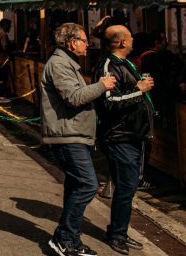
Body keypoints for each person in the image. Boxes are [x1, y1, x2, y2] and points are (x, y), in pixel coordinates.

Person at [42, 22, 116, 256]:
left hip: (73, 134)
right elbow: (73, 98)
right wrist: (101, 86)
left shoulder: (66, 63)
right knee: (88, 184)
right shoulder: (59, 64)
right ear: (72, 43)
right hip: (67, 136)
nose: (88, 45)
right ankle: (64, 236)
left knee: (76, 185)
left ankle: (70, 239)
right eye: (85, 41)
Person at [94, 25, 155, 255]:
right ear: (121, 43)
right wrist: (139, 90)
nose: (132, 40)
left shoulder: (123, 64)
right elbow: (109, 103)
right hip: (120, 136)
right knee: (126, 187)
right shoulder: (109, 66)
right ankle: (117, 234)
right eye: (129, 37)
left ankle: (119, 231)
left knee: (128, 188)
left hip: (131, 134)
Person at [0, 18, 14, 96]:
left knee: (0, 78)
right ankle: (2, 95)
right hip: (3, 60)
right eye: (9, 25)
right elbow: (4, 47)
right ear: (5, 25)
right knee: (3, 78)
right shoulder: (3, 34)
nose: (10, 27)